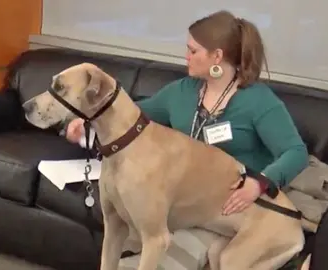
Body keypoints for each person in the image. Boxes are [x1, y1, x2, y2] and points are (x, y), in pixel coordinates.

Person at [66, 9, 309, 269]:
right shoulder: (181, 92)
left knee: (223, 261)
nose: (186, 57)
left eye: (193, 51)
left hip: (239, 206)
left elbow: (296, 152)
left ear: (217, 56)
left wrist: (258, 183)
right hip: (193, 205)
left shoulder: (258, 101)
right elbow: (131, 115)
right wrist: (88, 120)